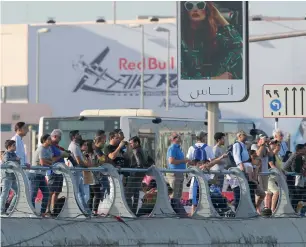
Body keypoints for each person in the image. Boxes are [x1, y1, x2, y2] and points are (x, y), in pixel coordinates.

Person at [180, 1, 243, 80]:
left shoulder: (213, 36)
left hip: (213, 83)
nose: (195, 9)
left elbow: (239, 44)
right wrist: (215, 79)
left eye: (200, 5)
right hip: (191, 87)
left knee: (238, 55)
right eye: (189, 6)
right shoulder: (180, 39)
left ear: (207, 10)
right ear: (186, 12)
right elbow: (180, 78)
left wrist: (218, 16)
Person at [47, 129, 70, 215]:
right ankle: (48, 209)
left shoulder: (57, 147)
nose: (60, 140)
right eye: (59, 138)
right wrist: (61, 154)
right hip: (53, 172)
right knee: (51, 192)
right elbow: (51, 160)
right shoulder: (50, 146)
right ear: (55, 136)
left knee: (57, 192)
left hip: (60, 172)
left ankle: (54, 209)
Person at [125, 136, 150, 214]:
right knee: (136, 195)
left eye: (131, 143)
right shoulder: (144, 150)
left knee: (127, 195)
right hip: (140, 175)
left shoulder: (136, 151)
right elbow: (150, 161)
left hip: (135, 175)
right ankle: (134, 212)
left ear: (137, 143)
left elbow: (139, 164)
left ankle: (130, 212)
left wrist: (133, 169)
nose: (130, 145)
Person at [68, 130, 89, 213]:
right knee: (76, 191)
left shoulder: (76, 146)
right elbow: (78, 161)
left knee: (81, 193)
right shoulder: (74, 146)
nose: (79, 135)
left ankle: (83, 210)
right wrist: (86, 166)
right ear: (73, 137)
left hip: (78, 171)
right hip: (75, 171)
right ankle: (75, 210)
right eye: (77, 134)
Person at [30, 134, 52, 217]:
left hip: (42, 175)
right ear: (45, 140)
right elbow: (43, 163)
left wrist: (48, 162)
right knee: (33, 194)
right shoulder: (41, 149)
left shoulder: (49, 149)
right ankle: (32, 212)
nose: (51, 140)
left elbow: (51, 160)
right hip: (35, 174)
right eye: (49, 139)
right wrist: (48, 162)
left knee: (46, 193)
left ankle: (42, 212)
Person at [167, 132, 190, 200]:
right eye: (177, 136)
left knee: (178, 196)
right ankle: (172, 210)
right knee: (174, 196)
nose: (179, 137)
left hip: (179, 174)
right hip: (174, 174)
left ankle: (176, 209)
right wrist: (183, 161)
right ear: (173, 139)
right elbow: (171, 161)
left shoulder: (178, 148)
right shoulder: (172, 148)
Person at [0, 140, 20, 215]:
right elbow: (6, 161)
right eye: (14, 145)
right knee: (5, 194)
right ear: (9, 147)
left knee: (18, 193)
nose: (15, 147)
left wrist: (17, 160)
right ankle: (1, 211)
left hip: (13, 177)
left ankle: (10, 209)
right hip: (6, 177)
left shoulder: (14, 154)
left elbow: (18, 162)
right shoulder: (6, 153)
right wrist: (16, 159)